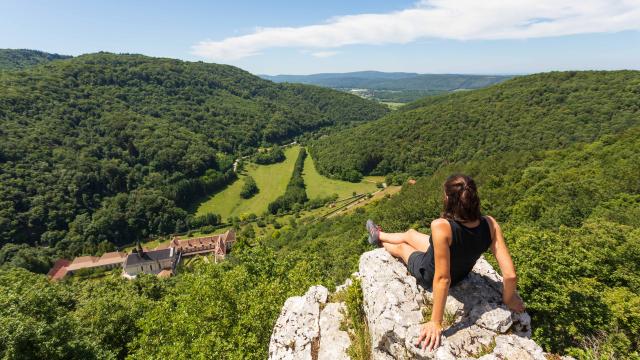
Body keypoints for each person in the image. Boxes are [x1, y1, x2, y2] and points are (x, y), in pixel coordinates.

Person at [365, 174, 525, 352]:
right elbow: (510, 275)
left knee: (403, 247)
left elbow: (442, 279)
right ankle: (378, 235)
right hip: (459, 268)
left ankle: (382, 244)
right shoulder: (490, 224)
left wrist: (435, 322)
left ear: (448, 199)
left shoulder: (442, 227)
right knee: (410, 233)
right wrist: (509, 299)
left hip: (429, 271)